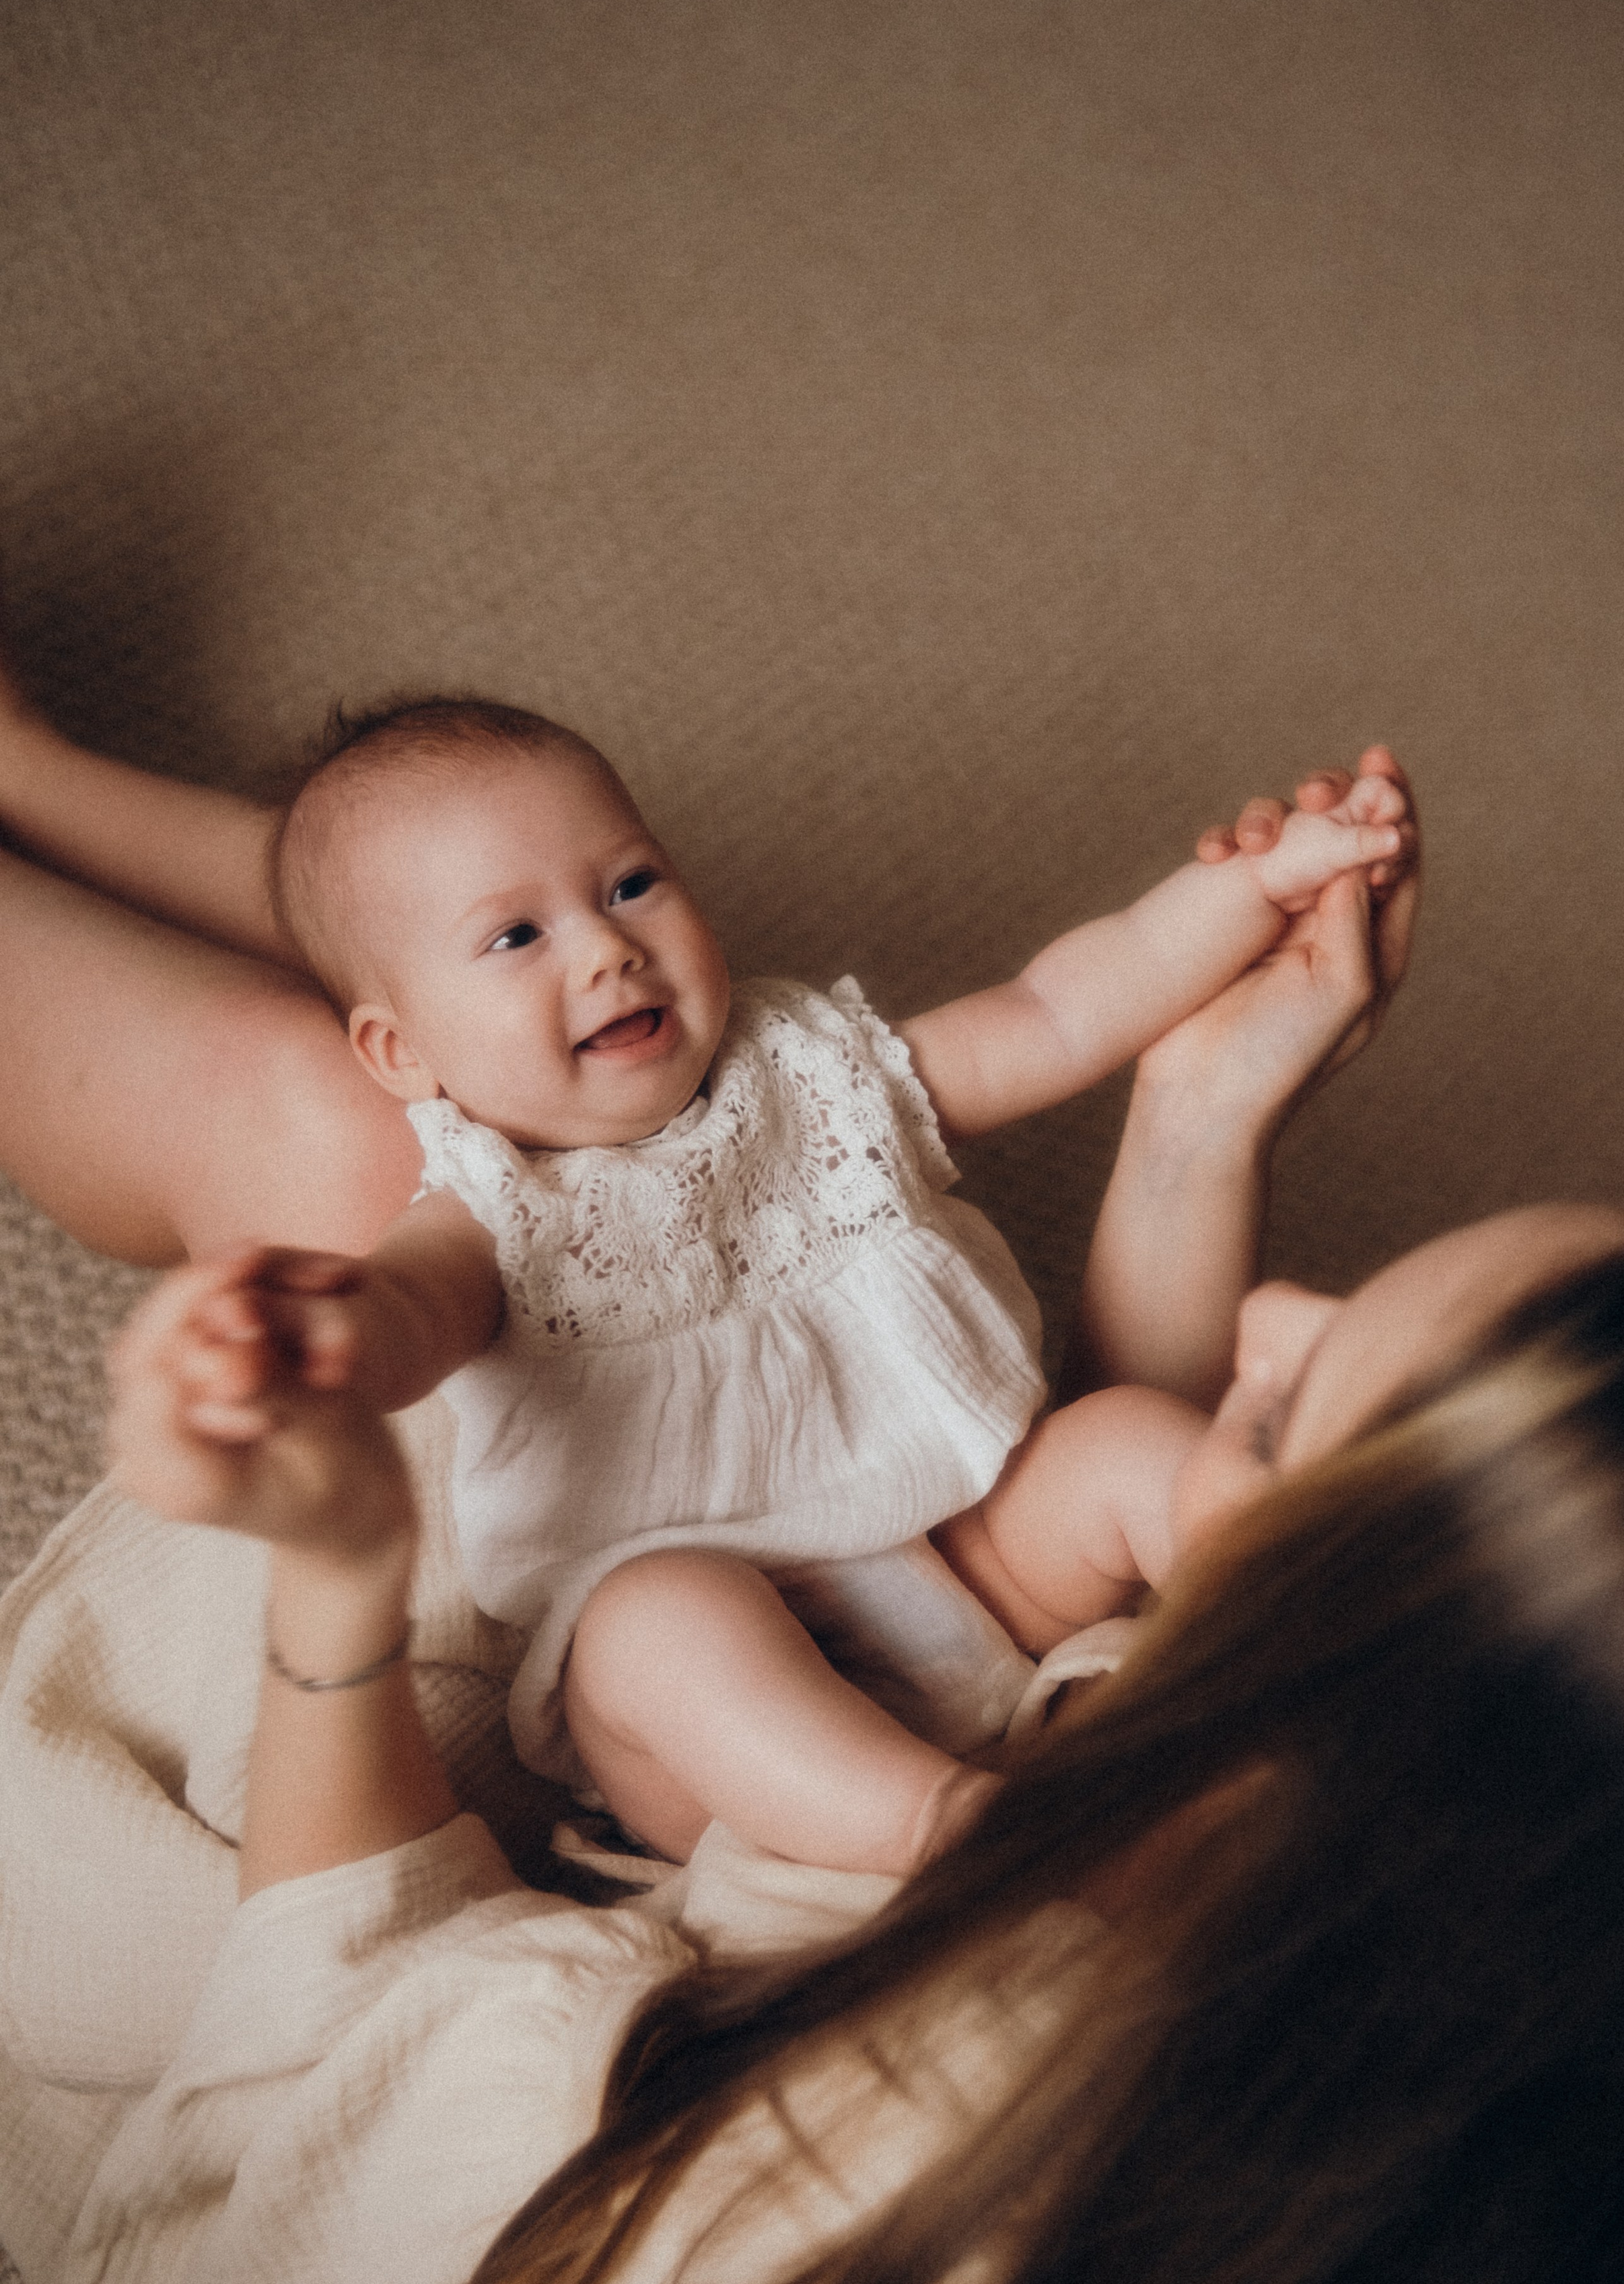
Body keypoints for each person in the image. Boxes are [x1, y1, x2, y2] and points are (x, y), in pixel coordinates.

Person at [64, 1193, 1624, 2284]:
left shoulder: (807, 2190)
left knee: (355, 1485)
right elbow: (1036, 1510)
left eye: (1278, 1420)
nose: (1269, 1309)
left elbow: (209, 2264)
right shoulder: (1549, 2187)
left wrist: (339, 1577)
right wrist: (1202, 1120)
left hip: (414, 2252)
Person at [0, 660, 1411, 1877]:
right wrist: (323, 1334)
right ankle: (949, 1830)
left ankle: (1296, 1639)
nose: (608, 948)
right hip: (717, 1724)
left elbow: (1054, 1006)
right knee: (652, 1624)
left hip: (973, 1572)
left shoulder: (811, 1067)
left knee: (1122, 1449)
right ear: (405, 1060)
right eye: (520, 936)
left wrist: (1250, 890)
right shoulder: (490, 1198)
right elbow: (411, 1307)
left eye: (630, 883)